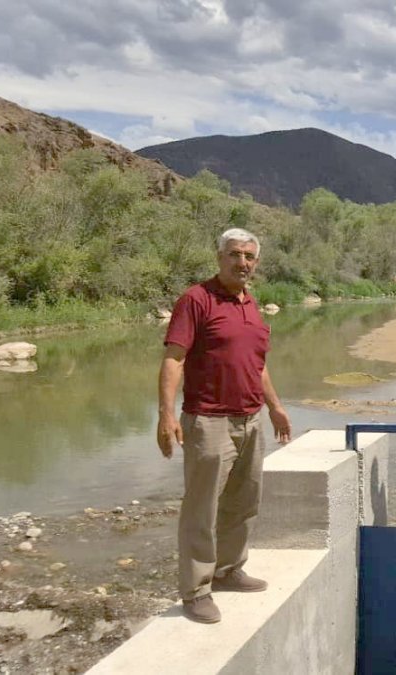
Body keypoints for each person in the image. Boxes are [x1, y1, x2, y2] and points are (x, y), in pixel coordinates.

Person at [157, 227, 293, 624]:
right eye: (235, 254)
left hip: (250, 419)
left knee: (244, 502)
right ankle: (196, 590)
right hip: (208, 421)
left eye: (249, 256)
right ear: (220, 257)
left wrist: (276, 407)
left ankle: (229, 570)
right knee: (201, 509)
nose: (243, 263)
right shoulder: (196, 300)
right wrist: (166, 414)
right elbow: (173, 359)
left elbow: (258, 364)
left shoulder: (250, 303)